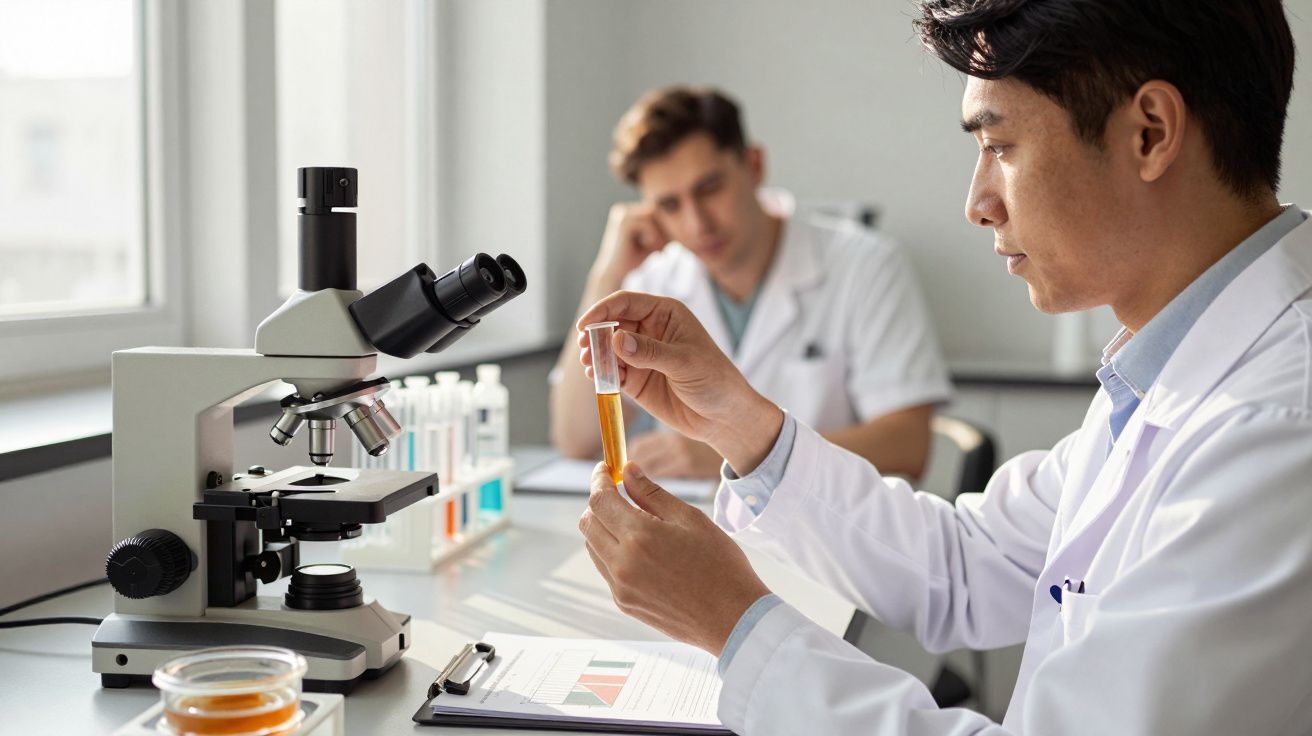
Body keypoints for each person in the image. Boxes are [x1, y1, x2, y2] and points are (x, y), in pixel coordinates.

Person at [575, 0, 1312, 733]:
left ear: (1149, 133)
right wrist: (739, 425)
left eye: (1000, 146)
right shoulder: (1171, 372)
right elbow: (966, 563)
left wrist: (736, 624)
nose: (978, 203)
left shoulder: (1276, 432)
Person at [550, 86, 950, 480]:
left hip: (823, 520)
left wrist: (734, 452)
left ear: (754, 166)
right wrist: (607, 273)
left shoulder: (866, 265)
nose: (697, 224)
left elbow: (907, 446)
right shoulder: (653, 280)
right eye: (670, 205)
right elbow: (575, 440)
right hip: (691, 518)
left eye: (710, 189)